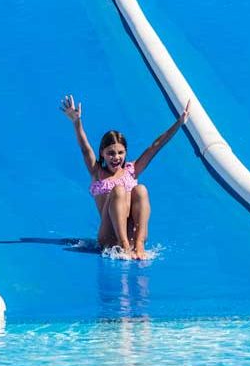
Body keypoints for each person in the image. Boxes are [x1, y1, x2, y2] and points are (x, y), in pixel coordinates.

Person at [61, 94, 191, 259]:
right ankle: (123, 244)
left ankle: (139, 244)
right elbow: (85, 148)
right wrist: (76, 121)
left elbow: (155, 146)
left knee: (141, 189)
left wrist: (179, 123)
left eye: (120, 153)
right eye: (111, 153)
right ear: (102, 153)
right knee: (119, 190)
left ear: (126, 152)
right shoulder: (97, 172)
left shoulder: (132, 169)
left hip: (132, 235)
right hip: (108, 236)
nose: (116, 157)